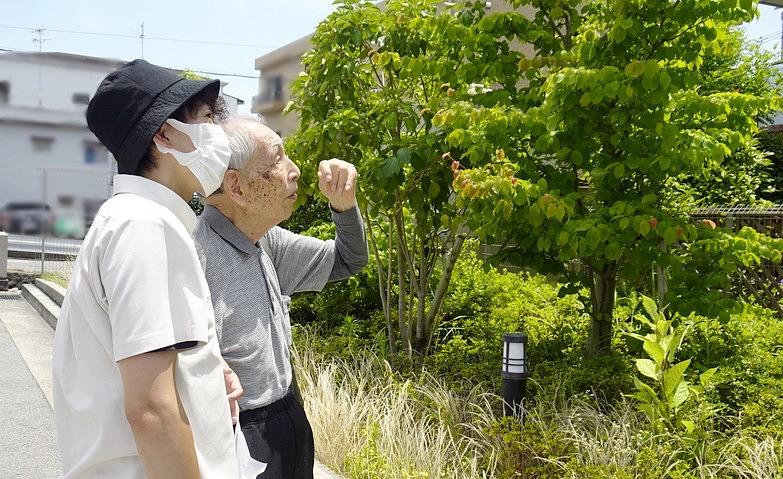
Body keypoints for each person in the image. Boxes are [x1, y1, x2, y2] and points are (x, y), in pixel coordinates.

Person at [53, 59, 243, 479]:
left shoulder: (136, 220)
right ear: (164, 134)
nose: (219, 132)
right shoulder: (143, 225)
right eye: (208, 117)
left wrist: (208, 375)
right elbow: (151, 409)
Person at [193, 117, 369, 479]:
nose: (294, 170)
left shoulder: (265, 240)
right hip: (243, 442)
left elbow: (349, 259)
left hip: (290, 417)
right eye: (276, 159)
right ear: (236, 187)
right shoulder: (196, 260)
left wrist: (344, 205)